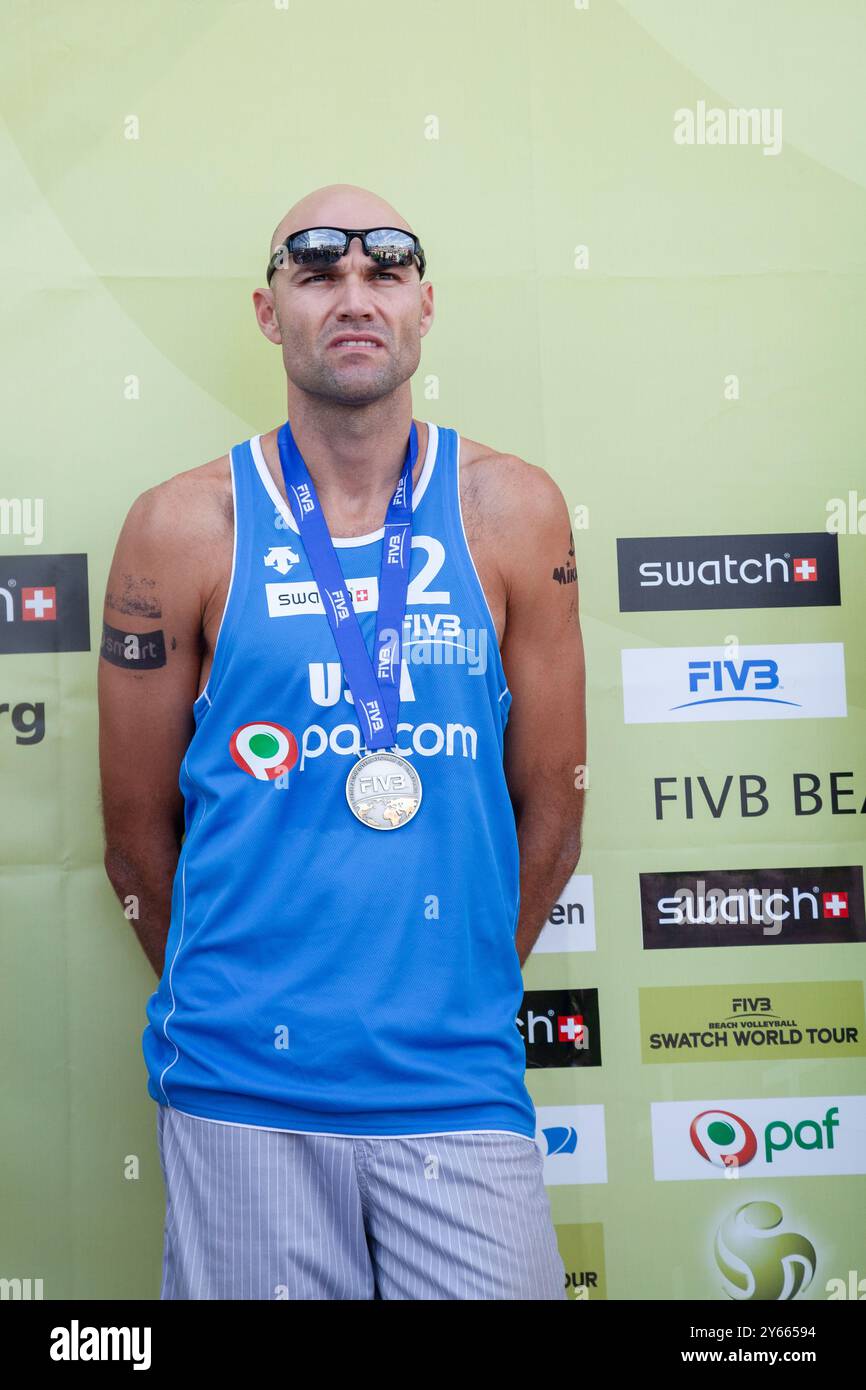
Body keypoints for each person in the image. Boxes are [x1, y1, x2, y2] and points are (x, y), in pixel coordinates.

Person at [98, 183, 586, 1300]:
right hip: (241, 1088)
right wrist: (249, 1013)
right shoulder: (181, 526)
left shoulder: (512, 510)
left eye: (385, 272)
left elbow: (551, 813)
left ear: (424, 306)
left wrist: (446, 988)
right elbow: (134, 841)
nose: (352, 296)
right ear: (270, 314)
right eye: (316, 273)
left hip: (454, 1082)